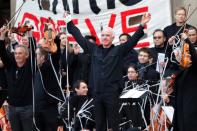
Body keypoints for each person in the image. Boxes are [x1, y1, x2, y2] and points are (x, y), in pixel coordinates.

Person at [64, 12, 151, 131]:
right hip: (97, 93)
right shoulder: (93, 49)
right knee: (99, 124)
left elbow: (132, 41)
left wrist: (141, 25)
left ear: (113, 38)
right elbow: (78, 36)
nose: (105, 37)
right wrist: (69, 21)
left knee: (114, 124)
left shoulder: (119, 50)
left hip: (112, 93)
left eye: (107, 35)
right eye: (103, 35)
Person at [0, 26, 35, 131]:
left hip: (27, 108)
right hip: (12, 108)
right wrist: (2, 36)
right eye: (15, 53)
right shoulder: (10, 66)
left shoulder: (30, 67)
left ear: (26, 55)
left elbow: (33, 52)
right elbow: (2, 53)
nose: (17, 55)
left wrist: (30, 36)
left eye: (20, 53)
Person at [173, 32, 197, 131]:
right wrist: (171, 45)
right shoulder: (182, 70)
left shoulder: (195, 69)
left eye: (188, 55)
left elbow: (194, 56)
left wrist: (187, 39)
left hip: (191, 106)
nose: (186, 56)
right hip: (180, 107)